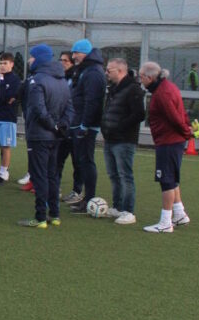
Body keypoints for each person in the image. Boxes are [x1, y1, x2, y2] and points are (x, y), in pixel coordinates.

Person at [16, 44, 73, 229]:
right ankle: (54, 215)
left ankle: (40, 217)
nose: (30, 60)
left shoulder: (37, 81)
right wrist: (61, 127)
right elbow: (69, 108)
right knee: (52, 175)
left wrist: (53, 125)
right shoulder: (62, 80)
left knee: (39, 175)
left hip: (39, 135)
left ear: (39, 58)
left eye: (32, 57)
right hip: (55, 136)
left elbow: (38, 110)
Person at [139, 62, 192, 233]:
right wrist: (187, 129)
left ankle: (165, 223)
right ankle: (179, 214)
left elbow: (175, 117)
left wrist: (186, 132)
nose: (141, 80)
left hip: (169, 141)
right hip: (170, 140)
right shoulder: (168, 87)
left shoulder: (162, 93)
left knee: (166, 181)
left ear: (150, 77)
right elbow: (181, 113)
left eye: (142, 76)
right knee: (172, 178)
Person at [100, 58, 146, 225]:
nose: (106, 73)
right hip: (110, 138)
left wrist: (120, 127)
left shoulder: (133, 89)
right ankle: (117, 207)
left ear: (120, 71)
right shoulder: (113, 89)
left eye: (109, 70)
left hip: (124, 140)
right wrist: (105, 129)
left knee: (125, 175)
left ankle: (129, 211)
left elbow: (139, 114)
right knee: (113, 175)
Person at [68, 39, 106, 214]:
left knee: (86, 161)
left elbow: (93, 101)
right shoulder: (87, 70)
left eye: (76, 53)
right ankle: (86, 197)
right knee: (82, 162)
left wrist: (85, 124)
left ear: (85, 53)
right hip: (79, 123)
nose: (73, 56)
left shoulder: (92, 72)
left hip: (85, 126)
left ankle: (89, 197)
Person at [0, 52, 21, 185]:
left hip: (7, 118)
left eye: (5, 63)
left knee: (5, 145)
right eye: (1, 63)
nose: (2, 66)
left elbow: (7, 98)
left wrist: (2, 85)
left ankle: (3, 172)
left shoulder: (14, 80)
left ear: (11, 64)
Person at [57, 50, 82, 202]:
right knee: (57, 159)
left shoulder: (77, 78)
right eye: (61, 60)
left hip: (75, 126)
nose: (62, 63)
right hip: (63, 126)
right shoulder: (60, 78)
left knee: (77, 161)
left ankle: (77, 191)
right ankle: (55, 188)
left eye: (65, 61)